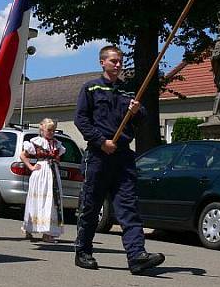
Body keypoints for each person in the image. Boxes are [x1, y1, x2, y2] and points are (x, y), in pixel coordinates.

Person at [74, 45, 165, 274]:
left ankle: (137, 256)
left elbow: (141, 119)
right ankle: (83, 251)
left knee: (128, 206)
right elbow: (81, 120)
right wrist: (101, 141)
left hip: (123, 155)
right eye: (113, 60)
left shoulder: (127, 92)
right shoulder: (90, 88)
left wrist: (137, 112)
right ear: (102, 62)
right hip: (99, 155)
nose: (118, 64)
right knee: (91, 206)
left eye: (120, 60)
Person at [20, 118, 65, 243]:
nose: (51, 132)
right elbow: (23, 155)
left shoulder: (57, 144)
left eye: (53, 130)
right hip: (41, 173)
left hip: (52, 173)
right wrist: (31, 167)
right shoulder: (36, 142)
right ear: (42, 129)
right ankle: (29, 228)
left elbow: (58, 156)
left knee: (51, 201)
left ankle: (47, 232)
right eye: (49, 130)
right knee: (37, 200)